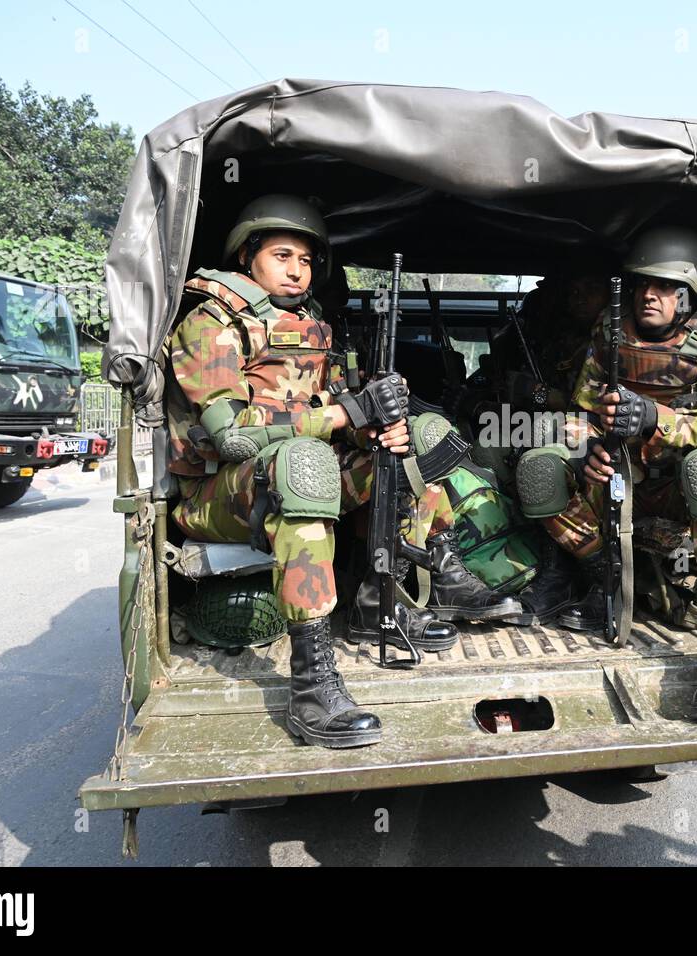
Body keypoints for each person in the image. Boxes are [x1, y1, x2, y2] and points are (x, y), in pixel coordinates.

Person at [167, 194, 488, 749]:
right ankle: (312, 683)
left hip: (286, 471)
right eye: (282, 256)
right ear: (248, 257)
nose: (297, 270)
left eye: (307, 260)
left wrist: (374, 425)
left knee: (412, 448)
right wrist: (343, 415)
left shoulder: (311, 325)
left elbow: (338, 413)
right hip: (216, 492)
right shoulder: (210, 322)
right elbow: (235, 437)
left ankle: (380, 601)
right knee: (308, 464)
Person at [514, 225, 697, 720]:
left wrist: (656, 418)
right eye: (643, 283)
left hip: (682, 487)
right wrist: (585, 448)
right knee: (538, 466)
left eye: (666, 286)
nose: (649, 294)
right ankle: (599, 579)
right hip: (618, 479)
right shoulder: (611, 329)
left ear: (692, 292)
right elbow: (581, 412)